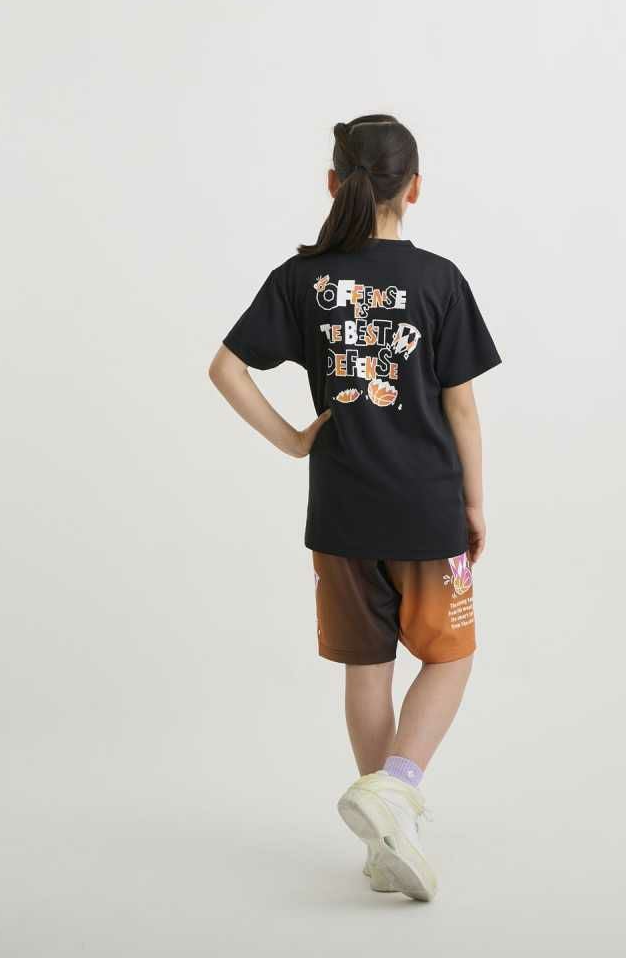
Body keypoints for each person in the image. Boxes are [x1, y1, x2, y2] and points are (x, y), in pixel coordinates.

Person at [209, 114, 501, 901]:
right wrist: (475, 503)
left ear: (334, 183)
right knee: (450, 656)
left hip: (340, 515)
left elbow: (226, 368)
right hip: (427, 507)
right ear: (415, 188)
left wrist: (295, 442)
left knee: (368, 668)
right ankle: (397, 789)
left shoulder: (301, 279)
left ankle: (386, 836)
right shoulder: (439, 280)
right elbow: (462, 408)